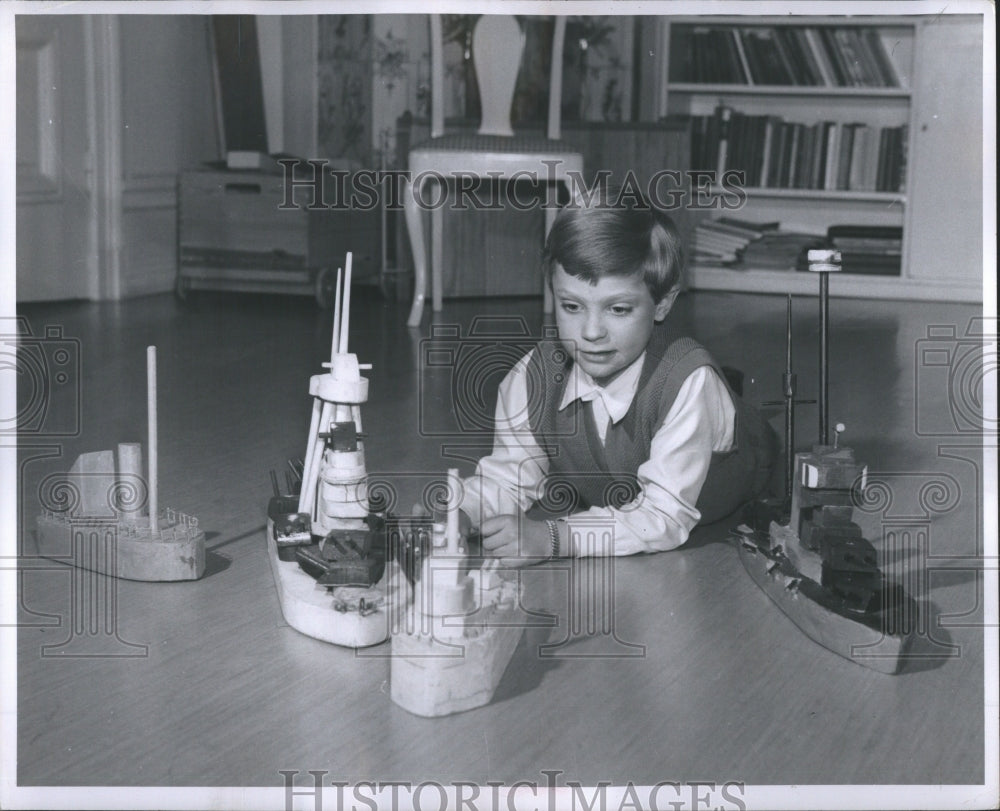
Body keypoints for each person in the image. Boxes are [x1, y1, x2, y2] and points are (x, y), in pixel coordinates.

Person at [456, 188, 777, 566]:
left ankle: (731, 397)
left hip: (756, 466)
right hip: (624, 484)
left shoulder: (688, 382)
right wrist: (461, 512)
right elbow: (509, 480)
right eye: (571, 306)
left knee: (709, 397)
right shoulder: (529, 378)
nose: (591, 332)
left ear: (663, 304)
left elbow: (662, 516)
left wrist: (556, 537)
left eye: (618, 309)